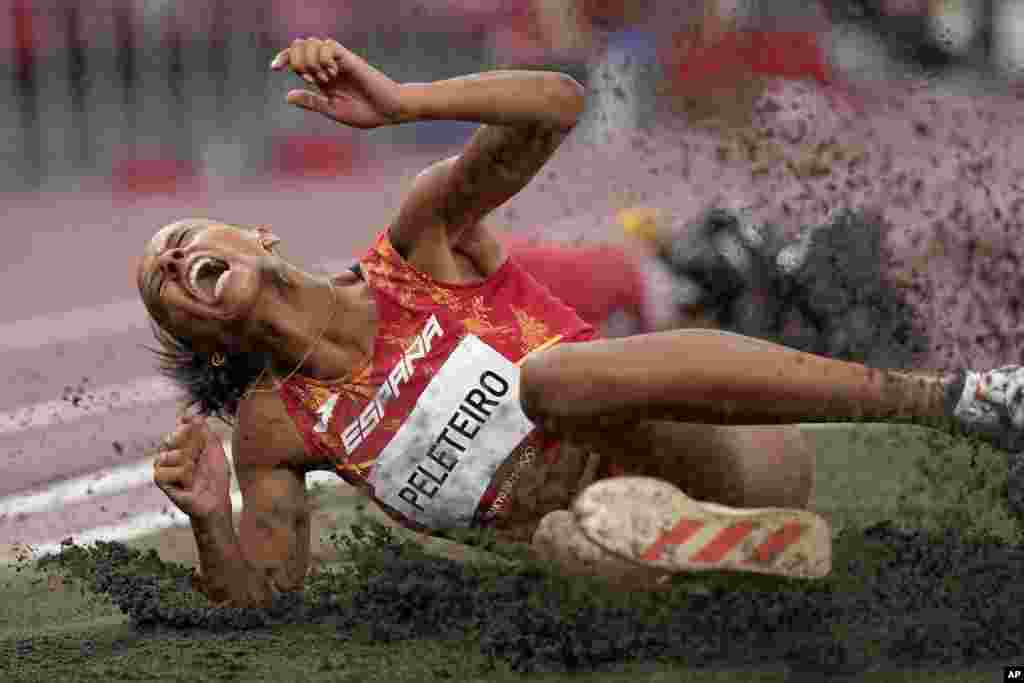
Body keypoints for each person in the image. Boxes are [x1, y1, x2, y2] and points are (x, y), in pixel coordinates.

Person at [138, 37, 1023, 606]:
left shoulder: (416, 250)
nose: (176, 262)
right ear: (203, 339)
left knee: (551, 379)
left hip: (725, 451)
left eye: (179, 241)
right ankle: (743, 563)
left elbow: (558, 102)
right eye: (160, 281)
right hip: (619, 554)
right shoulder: (276, 426)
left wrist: (408, 104)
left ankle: (959, 398)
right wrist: (214, 519)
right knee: (567, 536)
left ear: (251, 235)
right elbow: (270, 592)